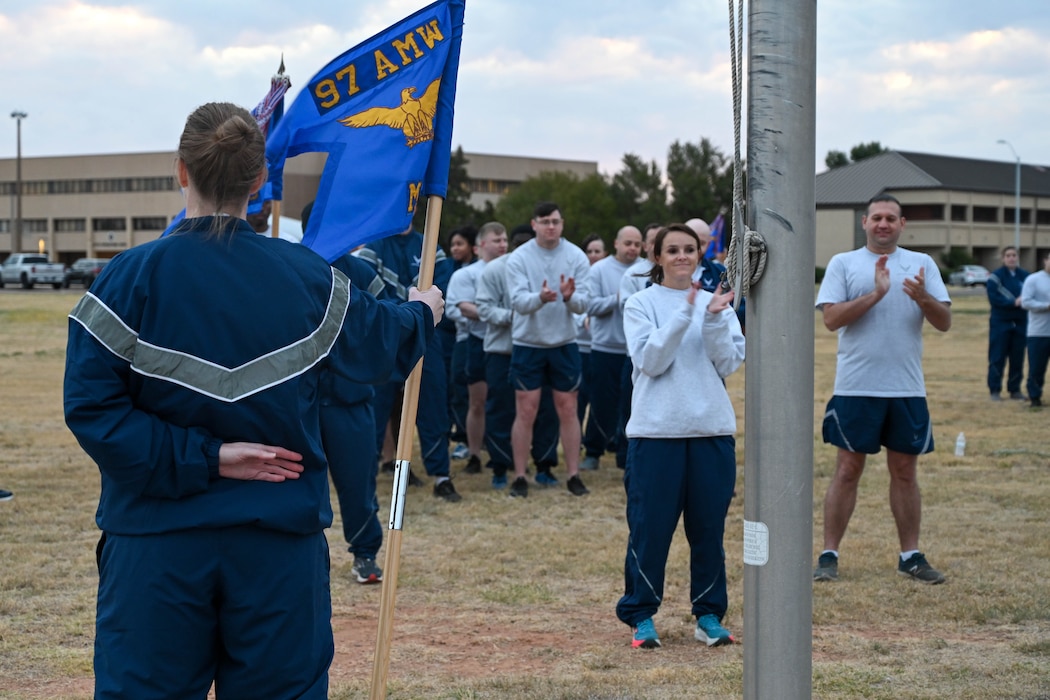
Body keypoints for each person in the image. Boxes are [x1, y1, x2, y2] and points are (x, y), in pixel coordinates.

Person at [63, 102, 442, 699]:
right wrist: (425, 309)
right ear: (261, 182)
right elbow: (384, 345)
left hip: (155, 551)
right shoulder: (310, 278)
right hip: (274, 552)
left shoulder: (125, 279)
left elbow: (92, 411)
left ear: (181, 171)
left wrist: (203, 458)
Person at [616, 224, 744, 650]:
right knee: (650, 531)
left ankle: (708, 615)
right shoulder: (639, 303)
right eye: (672, 250)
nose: (682, 256)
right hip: (656, 434)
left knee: (708, 531)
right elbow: (651, 360)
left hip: (711, 432)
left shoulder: (718, 303)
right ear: (657, 257)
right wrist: (686, 312)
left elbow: (726, 363)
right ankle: (641, 616)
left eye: (689, 249)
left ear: (701, 254)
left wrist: (710, 317)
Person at [813, 194, 951, 585]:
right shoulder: (844, 263)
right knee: (847, 469)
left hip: (906, 388)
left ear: (902, 224)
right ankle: (828, 555)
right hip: (856, 388)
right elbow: (832, 319)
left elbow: (944, 322)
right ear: (864, 222)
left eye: (891, 218)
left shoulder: (921, 264)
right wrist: (875, 294)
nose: (883, 224)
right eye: (877, 218)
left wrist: (922, 297)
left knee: (905, 471)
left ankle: (911, 556)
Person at [358, 222, 462, 501]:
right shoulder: (373, 248)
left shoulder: (430, 248)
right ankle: (366, 481)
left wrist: (417, 314)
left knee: (434, 406)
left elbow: (442, 289)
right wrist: (406, 313)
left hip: (428, 337)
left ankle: (441, 476)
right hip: (387, 337)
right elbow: (367, 293)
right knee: (375, 409)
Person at [505, 201, 591, 498]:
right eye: (545, 221)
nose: (550, 226)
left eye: (555, 221)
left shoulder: (576, 256)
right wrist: (540, 298)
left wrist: (569, 298)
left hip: (564, 342)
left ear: (562, 223)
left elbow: (584, 303)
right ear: (534, 224)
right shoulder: (518, 258)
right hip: (528, 343)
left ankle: (574, 475)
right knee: (525, 410)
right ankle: (519, 475)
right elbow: (517, 303)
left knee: (569, 409)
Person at [477, 225, 561, 489]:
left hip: (541, 347)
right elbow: (484, 308)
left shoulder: (549, 268)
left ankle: (545, 465)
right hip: (502, 350)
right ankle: (501, 466)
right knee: (501, 408)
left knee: (547, 409)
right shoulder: (495, 270)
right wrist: (512, 317)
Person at [445, 222, 509, 473]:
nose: (503, 244)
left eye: (505, 240)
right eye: (497, 240)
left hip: (506, 342)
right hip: (476, 342)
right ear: (481, 244)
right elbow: (463, 308)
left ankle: (501, 452)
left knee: (504, 401)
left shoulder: (513, 270)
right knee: (477, 402)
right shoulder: (466, 274)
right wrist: (498, 314)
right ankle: (473, 453)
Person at [580, 225, 642, 471]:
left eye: (637, 244)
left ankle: (624, 450)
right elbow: (589, 305)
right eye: (628, 243)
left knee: (632, 404)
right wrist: (618, 298)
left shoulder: (646, 270)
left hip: (634, 349)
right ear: (616, 244)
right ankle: (593, 450)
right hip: (605, 346)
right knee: (601, 402)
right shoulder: (599, 270)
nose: (632, 249)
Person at [444, 226, 478, 459]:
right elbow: (451, 307)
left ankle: (476, 438)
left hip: (475, 337)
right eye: (453, 244)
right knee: (456, 389)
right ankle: (461, 436)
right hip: (451, 336)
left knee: (474, 391)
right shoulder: (446, 269)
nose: (456, 248)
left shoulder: (480, 269)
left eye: (460, 244)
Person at [986, 246, 1029, 401]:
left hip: (1020, 322)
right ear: (1003, 258)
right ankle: (995, 390)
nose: (1011, 258)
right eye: (1008, 255)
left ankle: (1015, 389)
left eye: (1014, 255)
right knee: (997, 356)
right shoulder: (996, 277)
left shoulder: (1025, 276)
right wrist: (1013, 302)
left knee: (1017, 357)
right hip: (1000, 323)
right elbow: (994, 298)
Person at [576, 233, 606, 426]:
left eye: (597, 251)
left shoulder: (608, 274)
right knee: (579, 394)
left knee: (599, 395)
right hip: (580, 345)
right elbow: (572, 305)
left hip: (601, 346)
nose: (593, 255)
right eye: (589, 251)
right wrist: (582, 319)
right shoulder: (578, 276)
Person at [1020, 251, 1050, 408]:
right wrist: (1045, 306)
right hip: (1039, 332)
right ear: (1045, 260)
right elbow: (1025, 302)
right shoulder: (1034, 279)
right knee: (1037, 367)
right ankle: (1034, 397)